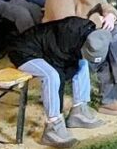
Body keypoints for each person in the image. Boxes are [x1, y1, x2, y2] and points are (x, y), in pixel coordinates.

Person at [8, 17, 107, 148]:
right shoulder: (66, 38)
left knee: (83, 62)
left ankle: (79, 111)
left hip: (45, 49)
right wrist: (59, 111)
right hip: (23, 51)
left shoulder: (89, 35)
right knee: (52, 75)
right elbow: (58, 68)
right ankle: (52, 126)